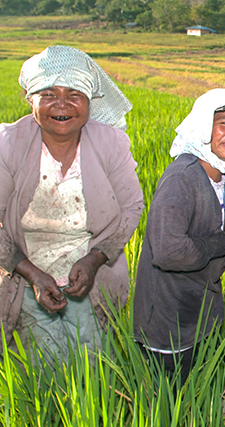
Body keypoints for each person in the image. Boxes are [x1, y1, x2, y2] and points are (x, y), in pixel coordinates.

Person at [0, 45, 143, 362]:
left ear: (89, 100)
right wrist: (33, 274)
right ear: (30, 97)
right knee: (40, 371)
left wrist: (94, 260)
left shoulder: (110, 142)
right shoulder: (8, 143)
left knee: (93, 368)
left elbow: (132, 206)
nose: (61, 104)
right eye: (48, 93)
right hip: (24, 275)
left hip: (91, 277)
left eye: (74, 93)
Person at [133, 89, 225, 381]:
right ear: (204, 126)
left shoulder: (221, 175)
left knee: (198, 402)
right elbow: (169, 251)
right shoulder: (183, 176)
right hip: (169, 323)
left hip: (199, 315)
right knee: (169, 406)